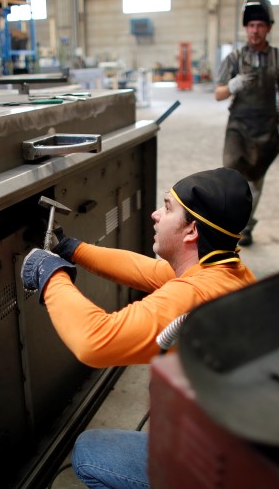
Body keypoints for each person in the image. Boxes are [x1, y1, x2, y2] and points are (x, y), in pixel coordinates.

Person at [21, 167, 257, 488]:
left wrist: (51, 274)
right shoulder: (228, 271)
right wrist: (70, 248)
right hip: (237, 447)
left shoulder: (195, 296)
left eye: (168, 208)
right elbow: (146, 270)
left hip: (210, 469)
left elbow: (94, 341)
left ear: (191, 232)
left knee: (89, 452)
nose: (155, 214)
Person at [215, 0, 279, 246]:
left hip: (266, 126)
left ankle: (246, 227)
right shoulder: (234, 58)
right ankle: (229, 226)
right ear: (245, 28)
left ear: (268, 28)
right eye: (251, 26)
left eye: (260, 25)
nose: (255, 31)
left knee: (256, 179)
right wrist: (232, 85)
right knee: (232, 178)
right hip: (238, 125)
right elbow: (218, 94)